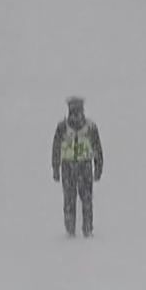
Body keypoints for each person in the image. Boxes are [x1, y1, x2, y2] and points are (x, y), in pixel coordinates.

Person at [51, 96, 104, 237]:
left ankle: (87, 229)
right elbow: (56, 149)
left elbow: (97, 148)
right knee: (69, 199)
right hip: (67, 167)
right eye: (73, 111)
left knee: (86, 199)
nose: (76, 115)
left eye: (78, 111)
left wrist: (98, 168)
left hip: (84, 166)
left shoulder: (90, 128)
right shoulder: (62, 128)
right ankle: (70, 229)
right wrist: (55, 168)